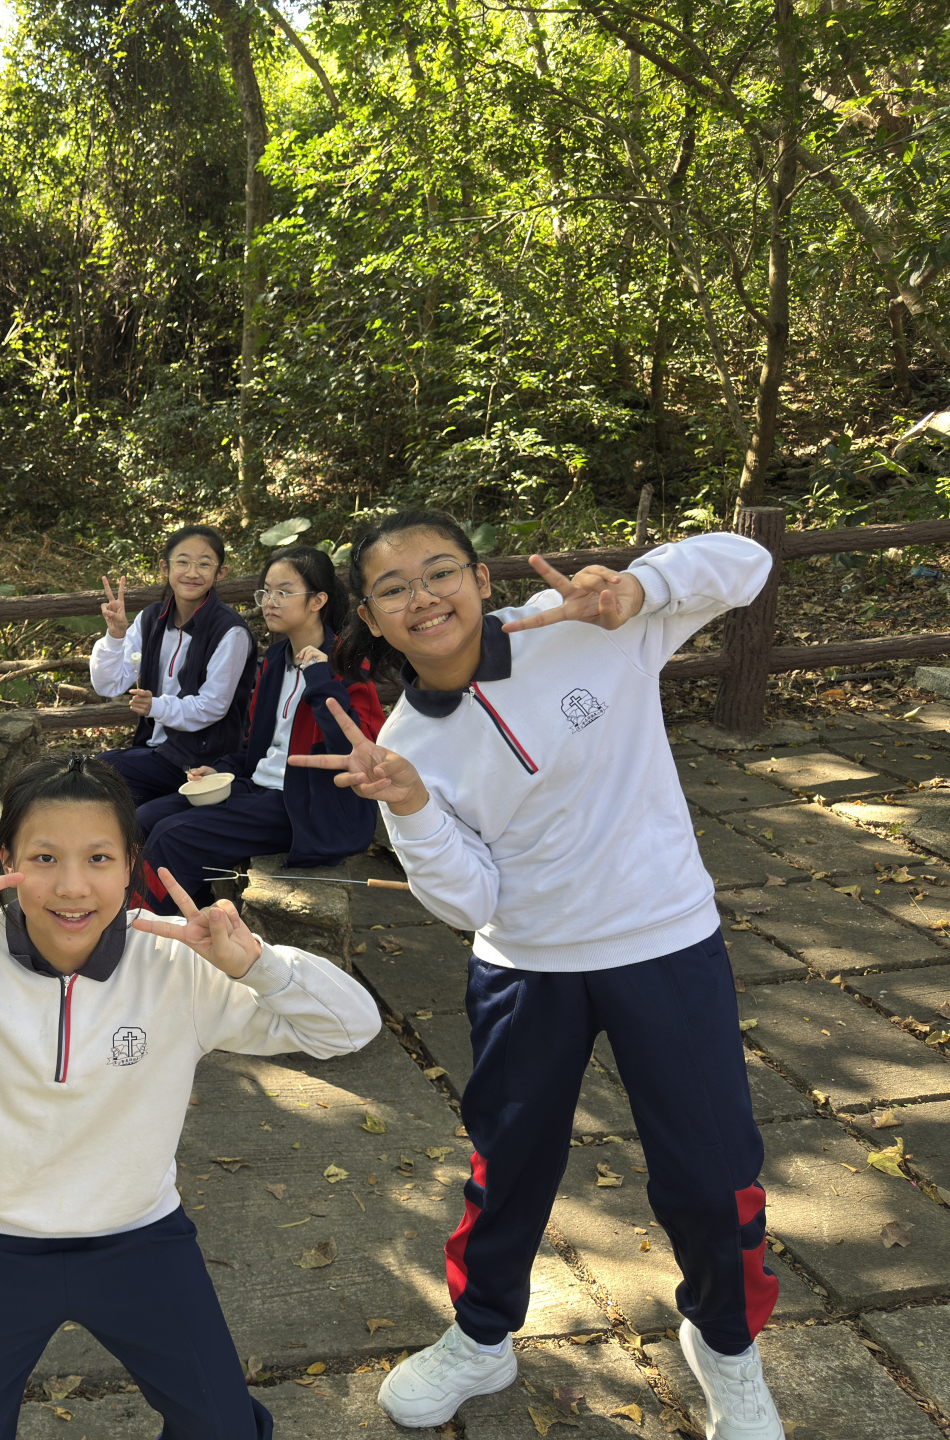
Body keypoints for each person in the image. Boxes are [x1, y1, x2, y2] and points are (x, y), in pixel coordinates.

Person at [297, 510, 785, 1439]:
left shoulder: (585, 625)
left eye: (441, 572)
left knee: (713, 1173)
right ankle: (482, 1335)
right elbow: (468, 901)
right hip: (527, 966)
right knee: (508, 1167)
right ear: (372, 615)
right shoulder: (406, 744)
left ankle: (726, 1344)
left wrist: (643, 586)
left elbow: (748, 562)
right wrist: (411, 806)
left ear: (481, 579)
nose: (422, 598)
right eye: (394, 588)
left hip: (664, 941)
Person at [0, 755, 380, 1440]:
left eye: (98, 858)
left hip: (142, 1239)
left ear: (130, 866)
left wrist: (257, 965)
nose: (71, 886)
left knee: (223, 1428)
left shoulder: (176, 963)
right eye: (44, 857)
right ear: (7, 861)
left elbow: (351, 1028)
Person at [132, 545, 383, 914]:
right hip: (258, 788)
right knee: (146, 818)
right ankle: (188, 917)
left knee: (174, 836)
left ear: (317, 600)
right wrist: (220, 769)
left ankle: (143, 927)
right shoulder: (276, 661)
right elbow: (258, 747)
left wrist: (320, 677)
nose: (269, 602)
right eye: (265, 592)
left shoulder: (346, 664)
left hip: (307, 805)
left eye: (283, 592)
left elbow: (354, 751)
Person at [88, 525, 256, 805]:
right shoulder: (151, 619)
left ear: (220, 573)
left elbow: (213, 705)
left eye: (205, 564)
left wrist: (156, 706)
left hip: (204, 760)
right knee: (104, 791)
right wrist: (115, 637)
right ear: (165, 567)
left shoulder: (230, 631)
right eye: (183, 562)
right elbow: (108, 685)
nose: (193, 572)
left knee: (98, 772)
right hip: (155, 751)